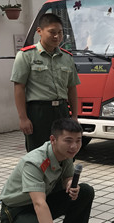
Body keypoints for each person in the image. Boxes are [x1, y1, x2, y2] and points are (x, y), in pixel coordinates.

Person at [0, 118, 94, 223]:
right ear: (53, 140)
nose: (74, 146)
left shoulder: (66, 154)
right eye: (68, 140)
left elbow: (67, 177)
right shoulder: (34, 162)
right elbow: (39, 203)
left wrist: (70, 183)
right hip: (16, 211)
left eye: (78, 140)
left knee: (85, 191)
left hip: (40, 203)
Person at [11, 13, 80, 152]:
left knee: (65, 151)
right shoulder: (26, 55)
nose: (57, 36)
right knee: (39, 153)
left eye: (60, 32)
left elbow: (72, 88)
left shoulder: (67, 57)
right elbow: (19, 88)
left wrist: (74, 116)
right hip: (38, 112)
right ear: (39, 31)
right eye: (52, 32)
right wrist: (23, 118)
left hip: (62, 111)